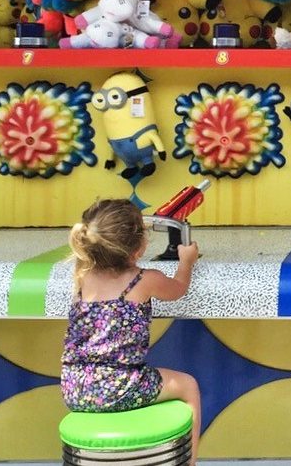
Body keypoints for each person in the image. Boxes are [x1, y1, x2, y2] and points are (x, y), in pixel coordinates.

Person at [61, 199, 202, 465]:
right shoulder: (145, 280)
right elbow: (179, 288)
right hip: (120, 388)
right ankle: (190, 463)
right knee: (188, 385)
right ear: (138, 249)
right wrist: (187, 261)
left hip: (74, 388)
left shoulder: (82, 275)